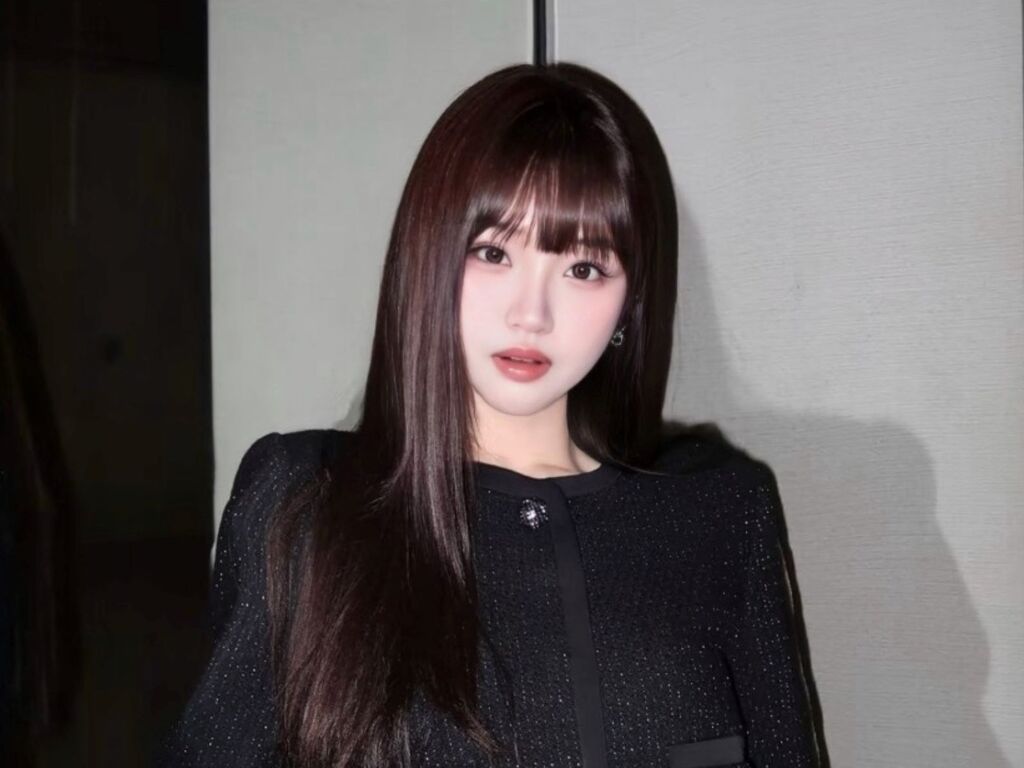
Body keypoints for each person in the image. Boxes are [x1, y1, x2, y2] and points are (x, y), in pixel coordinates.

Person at [156, 62, 822, 768]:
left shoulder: (719, 512)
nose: (531, 314)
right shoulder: (306, 505)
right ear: (428, 259)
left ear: (629, 303)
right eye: (493, 252)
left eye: (583, 269)